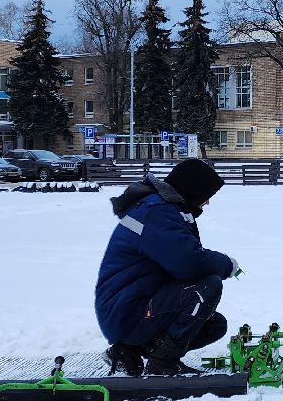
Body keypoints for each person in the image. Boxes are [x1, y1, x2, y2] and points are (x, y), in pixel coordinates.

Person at [95, 158, 239, 377]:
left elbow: (182, 260)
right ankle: (162, 363)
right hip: (126, 312)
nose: (208, 202)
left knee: (213, 325)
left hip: (129, 308)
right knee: (207, 287)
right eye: (206, 194)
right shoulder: (156, 211)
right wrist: (226, 264)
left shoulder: (164, 208)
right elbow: (188, 263)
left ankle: (127, 352)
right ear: (193, 189)